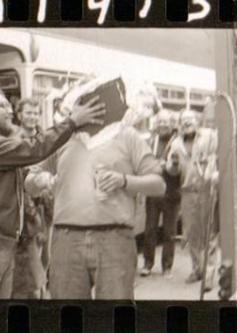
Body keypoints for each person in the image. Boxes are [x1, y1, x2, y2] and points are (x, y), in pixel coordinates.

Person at [0, 88, 105, 299]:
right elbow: (34, 148)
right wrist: (71, 122)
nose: (10, 111)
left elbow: (27, 176)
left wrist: (45, 180)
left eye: (9, 106)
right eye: (3, 106)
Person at [25, 92, 166, 300]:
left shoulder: (127, 135)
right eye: (82, 104)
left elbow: (159, 185)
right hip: (66, 238)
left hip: (115, 239)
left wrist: (124, 180)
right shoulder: (61, 138)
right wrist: (46, 181)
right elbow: (29, 182)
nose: (89, 110)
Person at [167, 109, 218, 288]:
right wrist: (172, 164)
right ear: (180, 124)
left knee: (209, 233)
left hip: (206, 189)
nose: (187, 122)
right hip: (187, 192)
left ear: (197, 121)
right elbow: (172, 171)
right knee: (191, 234)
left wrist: (213, 173)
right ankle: (197, 269)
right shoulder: (176, 144)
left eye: (190, 119)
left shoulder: (209, 136)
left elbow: (217, 158)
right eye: (184, 120)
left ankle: (209, 274)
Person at [10, 97, 50, 299]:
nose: (33, 117)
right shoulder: (15, 139)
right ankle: (35, 293)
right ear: (19, 115)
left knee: (45, 255)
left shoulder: (44, 138)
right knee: (30, 258)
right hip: (27, 208)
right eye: (28, 112)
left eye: (35, 113)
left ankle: (41, 291)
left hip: (46, 205)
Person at [140, 110, 182, 278]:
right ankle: (147, 264)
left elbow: (179, 166)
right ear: (155, 124)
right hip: (153, 192)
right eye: (160, 122)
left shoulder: (177, 142)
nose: (162, 125)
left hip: (171, 193)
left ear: (171, 124)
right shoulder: (150, 141)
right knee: (149, 230)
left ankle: (167, 267)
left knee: (169, 232)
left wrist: (169, 165)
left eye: (165, 122)